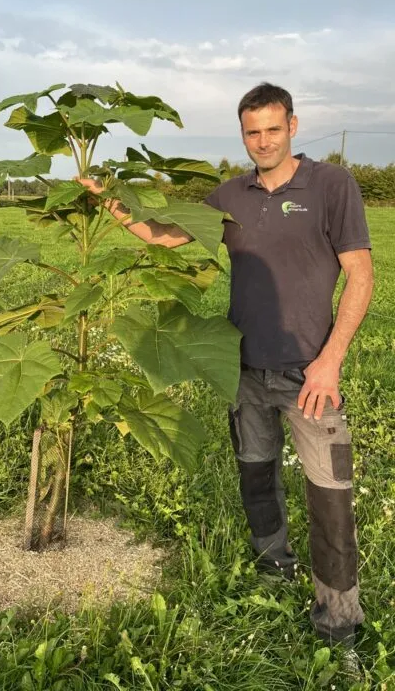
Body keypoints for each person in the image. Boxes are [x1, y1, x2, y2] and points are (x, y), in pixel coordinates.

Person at [77, 83, 374, 653]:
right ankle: (272, 571)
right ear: (243, 134)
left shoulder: (332, 185)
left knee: (330, 495)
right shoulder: (229, 195)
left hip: (309, 373)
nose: (263, 140)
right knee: (256, 476)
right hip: (242, 366)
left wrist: (330, 363)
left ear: (292, 125)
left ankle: (339, 624)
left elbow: (360, 275)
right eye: (252, 131)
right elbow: (165, 237)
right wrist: (107, 199)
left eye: (272, 128)